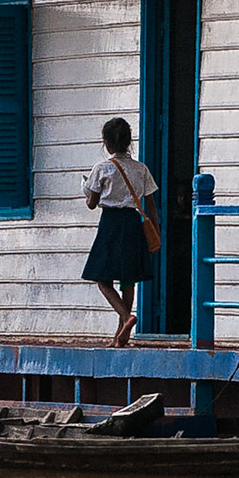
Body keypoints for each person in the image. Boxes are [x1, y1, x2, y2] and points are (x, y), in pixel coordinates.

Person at [81, 116, 159, 348]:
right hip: (133, 223)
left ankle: (126, 318)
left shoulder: (102, 168)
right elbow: (151, 205)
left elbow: (92, 203)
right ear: (129, 141)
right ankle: (119, 334)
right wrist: (156, 232)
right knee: (128, 278)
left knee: (102, 279)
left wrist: (87, 191)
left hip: (111, 223)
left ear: (106, 142)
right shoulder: (140, 169)